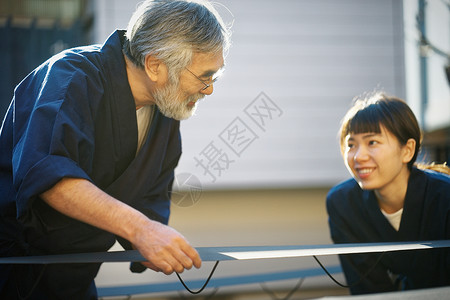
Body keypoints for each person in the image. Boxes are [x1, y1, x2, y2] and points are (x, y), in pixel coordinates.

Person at [0, 0, 231, 299]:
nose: (209, 88)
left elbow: (150, 197)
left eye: (215, 75)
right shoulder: (70, 76)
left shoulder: (165, 108)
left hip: (74, 277)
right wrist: (141, 230)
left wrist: (151, 241)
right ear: (155, 65)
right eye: (204, 76)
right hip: (12, 266)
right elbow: (49, 176)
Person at [326, 93, 450, 295]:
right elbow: (366, 289)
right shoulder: (343, 203)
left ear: (407, 150)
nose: (358, 156)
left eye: (372, 142)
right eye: (351, 145)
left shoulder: (444, 197)